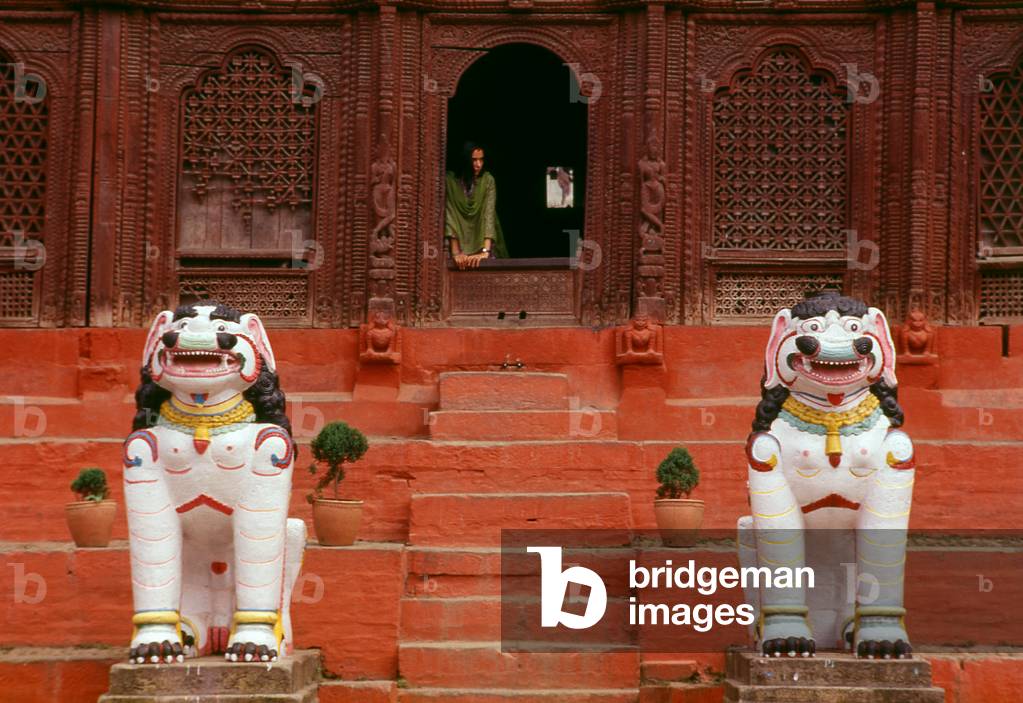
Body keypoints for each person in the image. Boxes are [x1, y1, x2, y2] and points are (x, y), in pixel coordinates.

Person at [444, 142, 509, 269]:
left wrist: (485, 252)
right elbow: (450, 215)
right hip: (457, 246)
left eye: (481, 160)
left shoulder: (488, 180)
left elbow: (488, 216)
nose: (478, 165)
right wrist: (456, 253)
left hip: (484, 245)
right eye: (474, 160)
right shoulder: (450, 182)